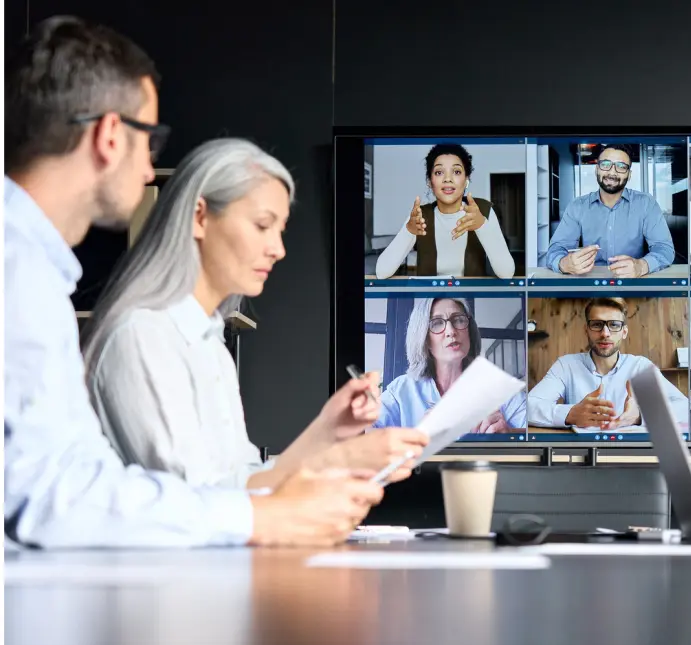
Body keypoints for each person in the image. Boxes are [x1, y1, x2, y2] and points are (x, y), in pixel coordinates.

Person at [5, 16, 390, 549]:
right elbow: (61, 496)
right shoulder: (34, 280)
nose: (148, 171)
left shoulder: (203, 341)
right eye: (151, 141)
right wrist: (281, 508)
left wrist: (325, 443)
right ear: (111, 135)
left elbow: (92, 482)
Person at [81, 138, 428, 489]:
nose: (278, 250)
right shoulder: (141, 335)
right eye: (263, 225)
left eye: (281, 231)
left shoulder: (210, 344)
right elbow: (197, 503)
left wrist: (329, 430)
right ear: (199, 217)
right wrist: (340, 460)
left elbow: (245, 480)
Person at [528, 297, 688, 429]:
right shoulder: (566, 365)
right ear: (586, 330)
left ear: (624, 332)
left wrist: (639, 415)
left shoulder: (640, 367)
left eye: (614, 325)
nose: (605, 333)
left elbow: (683, 407)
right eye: (597, 325)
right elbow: (528, 406)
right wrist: (571, 414)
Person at [375, 297, 527, 432]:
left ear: (469, 332)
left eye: (459, 320)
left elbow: (535, 435)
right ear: (425, 339)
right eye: (436, 323)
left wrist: (509, 435)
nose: (451, 331)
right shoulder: (401, 390)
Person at [375, 144, 515, 279]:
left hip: (473, 301)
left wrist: (482, 226)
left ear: (466, 180)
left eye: (457, 172)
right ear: (430, 181)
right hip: (430, 301)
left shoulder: (483, 211)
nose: (448, 179)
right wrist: (409, 231)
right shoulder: (420, 216)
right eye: (439, 172)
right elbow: (381, 272)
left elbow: (507, 273)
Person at [545, 144, 675, 278]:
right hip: (590, 285)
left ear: (629, 175)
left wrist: (641, 266)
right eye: (606, 164)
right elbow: (556, 249)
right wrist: (564, 263)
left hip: (633, 284)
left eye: (621, 166)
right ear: (597, 169)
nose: (612, 172)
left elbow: (664, 249)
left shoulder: (646, 204)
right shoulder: (577, 206)